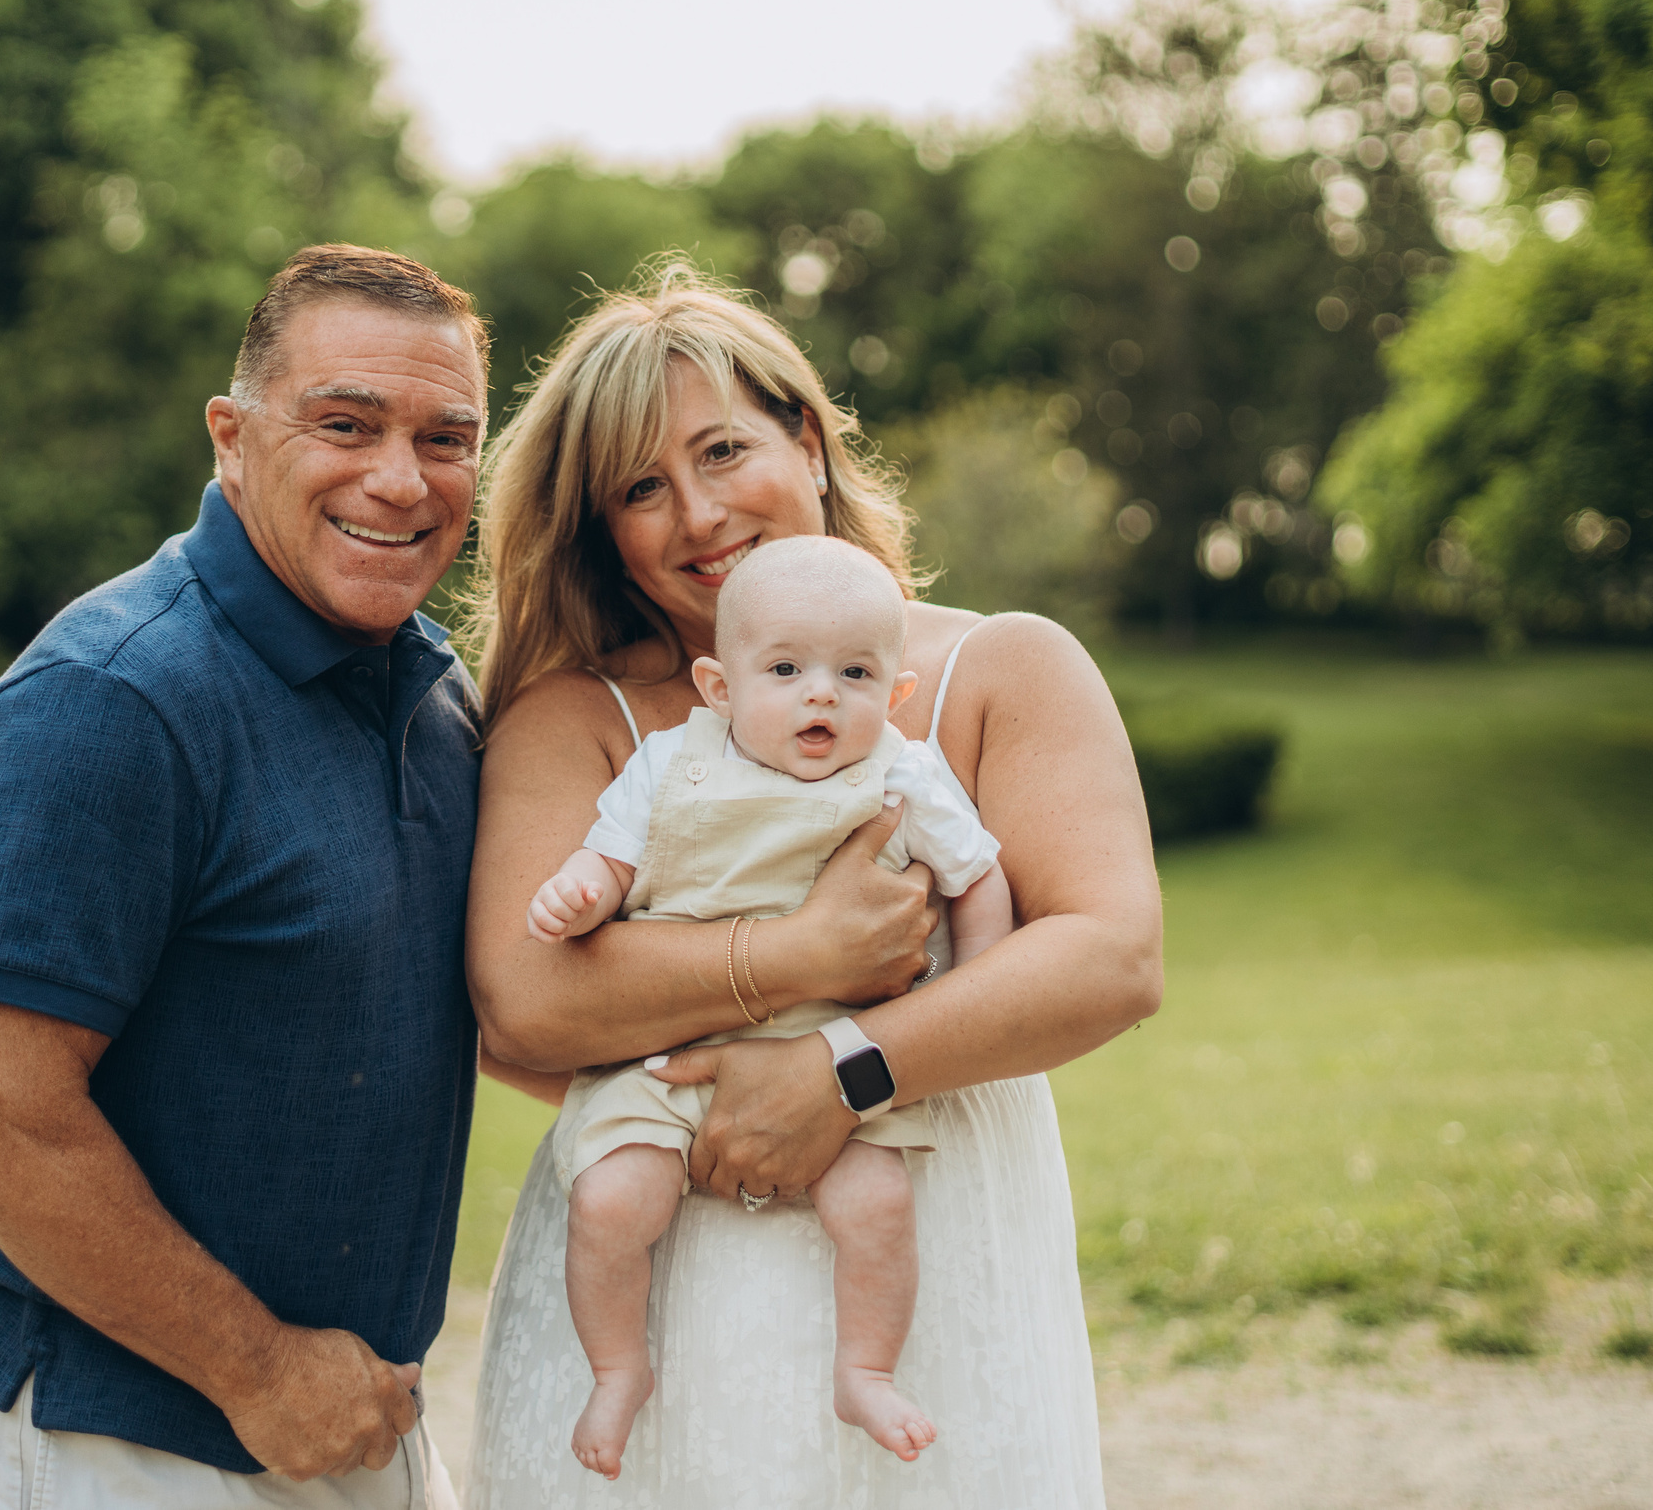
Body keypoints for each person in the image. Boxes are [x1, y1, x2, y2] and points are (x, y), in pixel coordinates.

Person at [458, 264, 1163, 1508]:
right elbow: (521, 1006)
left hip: (932, 1253)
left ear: (810, 436)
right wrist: (801, 958)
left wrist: (841, 1069)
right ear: (601, 533)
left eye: (725, 449)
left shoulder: (1002, 670)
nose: (701, 515)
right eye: (641, 489)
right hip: (660, 1263)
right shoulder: (578, 717)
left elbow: (1107, 959)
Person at [0, 244, 490, 1509]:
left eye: (447, 439)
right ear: (231, 437)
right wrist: (262, 1370)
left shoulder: (435, 695)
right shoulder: (107, 700)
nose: (401, 479)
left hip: (354, 1421)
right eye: (346, 424)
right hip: (121, 1442)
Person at [527, 534, 1014, 1478]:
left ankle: (864, 1368)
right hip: (664, 1048)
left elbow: (978, 877)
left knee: (876, 1203)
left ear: (896, 693)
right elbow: (610, 857)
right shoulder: (670, 763)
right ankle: (619, 1366)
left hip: (833, 1043)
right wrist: (579, 890)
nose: (820, 692)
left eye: (854, 672)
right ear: (719, 686)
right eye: (785, 669)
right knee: (611, 1197)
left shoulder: (905, 774)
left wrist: (971, 994)